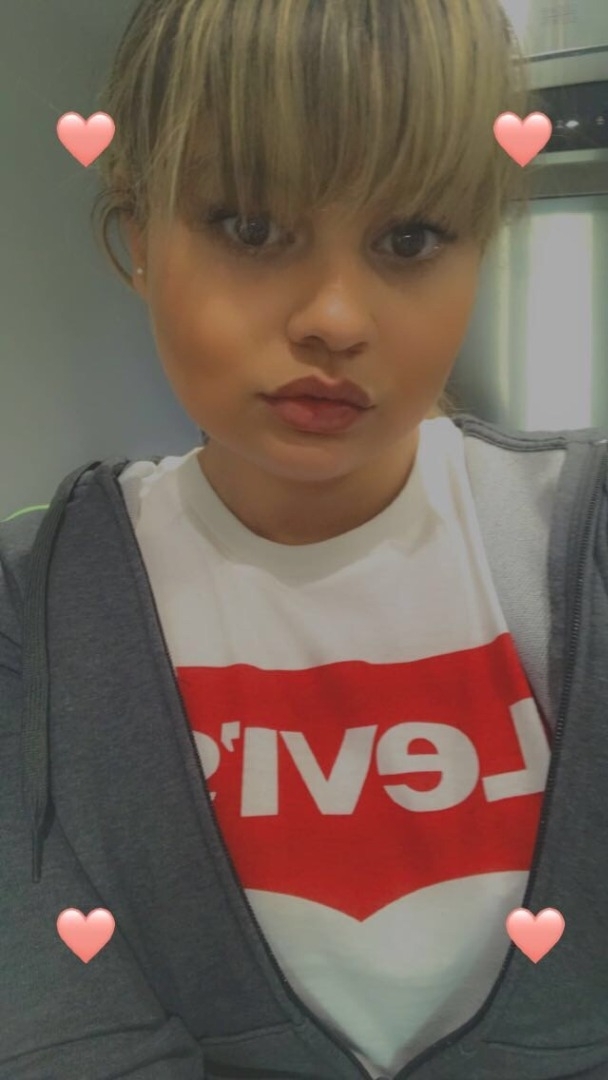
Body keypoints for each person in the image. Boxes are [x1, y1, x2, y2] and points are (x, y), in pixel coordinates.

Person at [2, 1, 608, 1078]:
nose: (335, 316)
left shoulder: (584, 542)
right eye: (251, 227)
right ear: (137, 232)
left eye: (409, 238)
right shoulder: (34, 605)